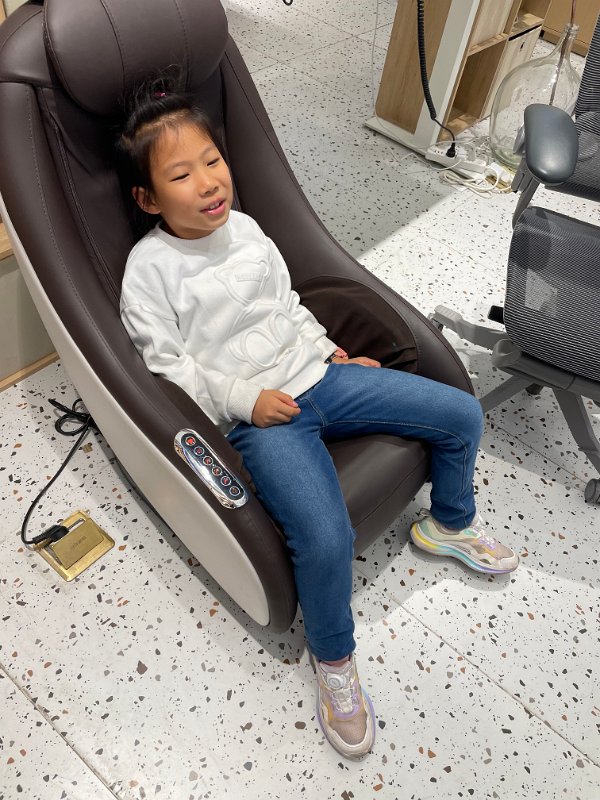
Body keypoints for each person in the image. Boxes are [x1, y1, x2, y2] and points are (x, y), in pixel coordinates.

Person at [117, 85, 519, 761]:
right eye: (181, 175)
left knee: (459, 411)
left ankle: (447, 524)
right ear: (148, 199)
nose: (209, 183)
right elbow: (169, 371)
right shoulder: (149, 272)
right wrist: (247, 400)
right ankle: (334, 661)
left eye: (213, 161)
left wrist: (329, 350)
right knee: (326, 537)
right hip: (262, 422)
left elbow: (288, 305)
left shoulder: (246, 229)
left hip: (324, 376)